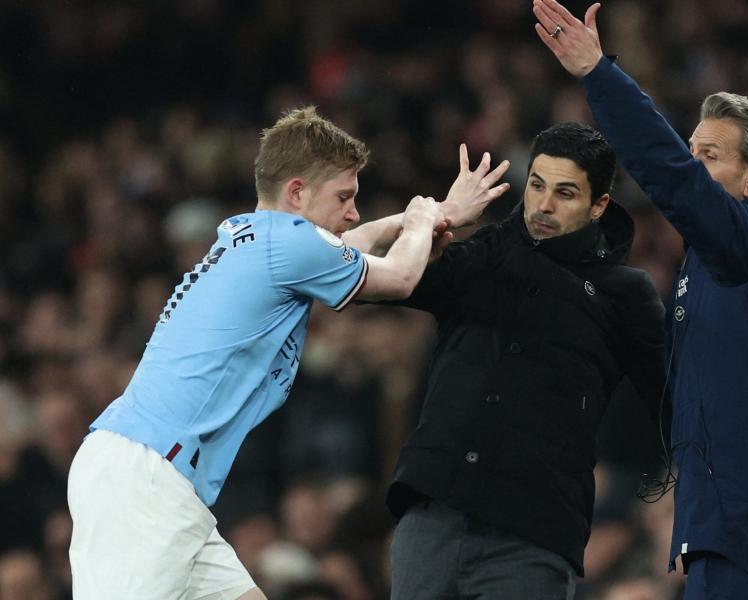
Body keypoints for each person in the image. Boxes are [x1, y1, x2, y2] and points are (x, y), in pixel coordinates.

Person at [66, 106, 511, 600]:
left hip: (157, 478)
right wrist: (427, 217)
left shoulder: (253, 235)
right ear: (297, 192)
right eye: (344, 197)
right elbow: (401, 277)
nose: (353, 212)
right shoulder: (290, 247)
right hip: (144, 480)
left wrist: (415, 220)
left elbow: (350, 245)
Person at [532, 1, 748, 598]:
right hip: (722, 523)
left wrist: (600, 76)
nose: (693, 168)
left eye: (709, 157)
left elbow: (672, 176)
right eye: (692, 150)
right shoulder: (713, 263)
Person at [385, 122, 667, 599]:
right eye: (536, 185)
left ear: (599, 206)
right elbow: (363, 277)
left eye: (565, 193)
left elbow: (674, 399)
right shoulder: (485, 251)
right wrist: (439, 218)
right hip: (436, 513)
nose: (543, 205)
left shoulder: (626, 295)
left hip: (534, 536)